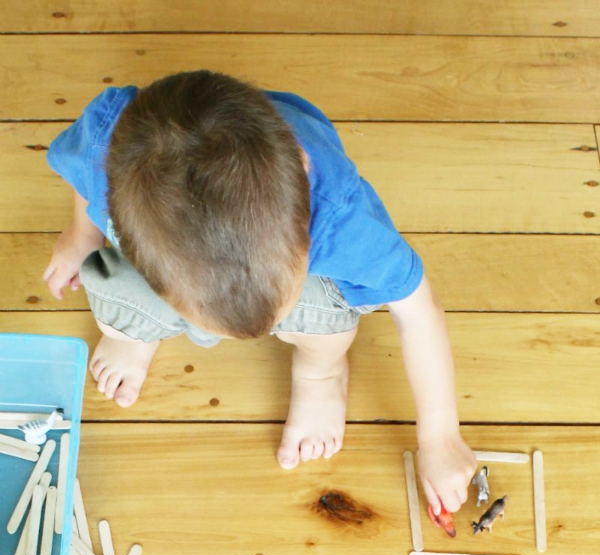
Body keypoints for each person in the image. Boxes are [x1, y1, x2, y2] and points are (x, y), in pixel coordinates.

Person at [43, 70, 475, 513]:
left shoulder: (343, 219)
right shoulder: (106, 142)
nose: (209, 341)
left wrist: (440, 436)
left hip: (289, 223)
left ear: (304, 165)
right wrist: (82, 236)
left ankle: (320, 374)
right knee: (116, 295)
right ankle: (130, 336)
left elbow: (418, 308)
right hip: (167, 213)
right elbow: (84, 176)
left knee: (327, 317)